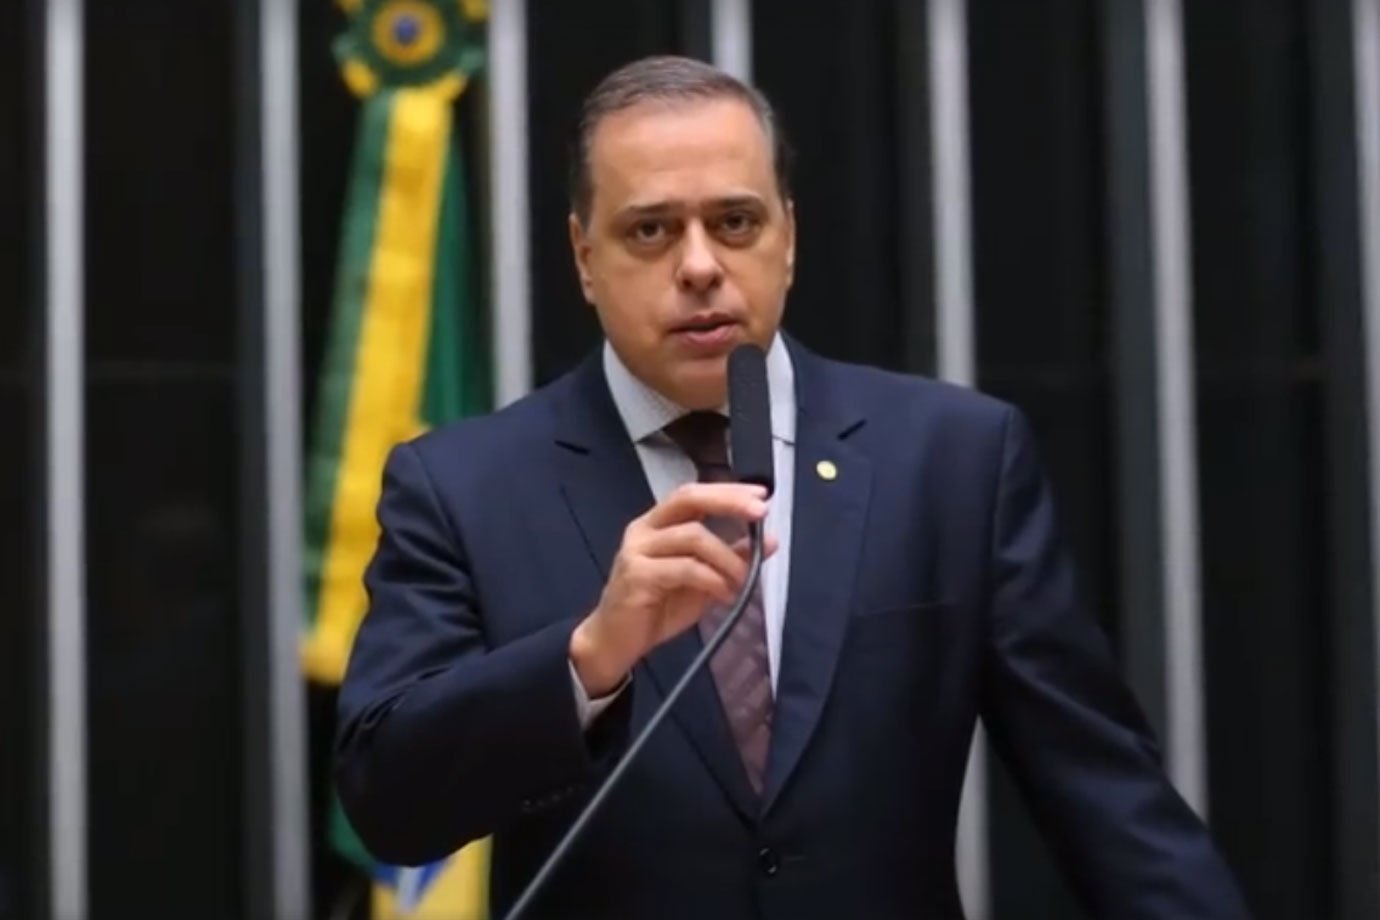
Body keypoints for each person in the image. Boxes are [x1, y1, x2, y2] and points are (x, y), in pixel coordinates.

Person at [334, 54, 1249, 919]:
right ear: (583, 256)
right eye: (650, 230)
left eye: (736, 223)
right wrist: (588, 660)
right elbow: (390, 805)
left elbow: (1103, 794)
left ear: (789, 238)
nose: (700, 266)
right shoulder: (462, 485)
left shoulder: (952, 460)